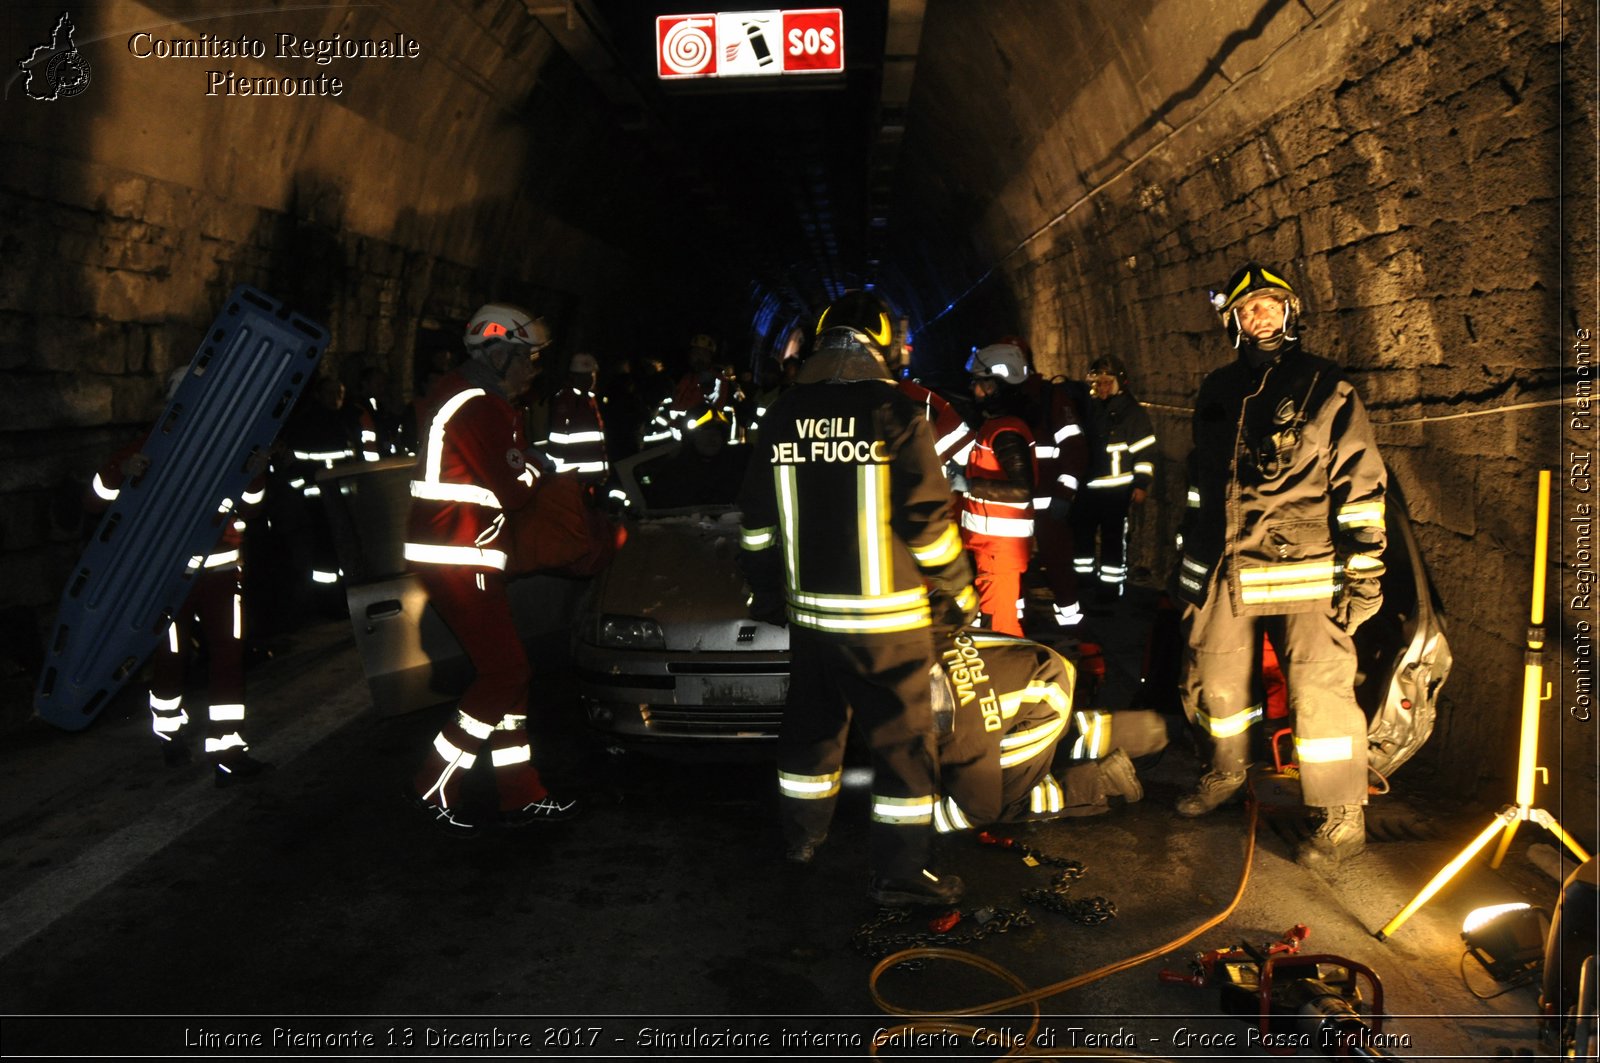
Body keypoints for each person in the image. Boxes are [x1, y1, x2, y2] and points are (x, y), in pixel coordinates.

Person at [739, 289, 979, 907]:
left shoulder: (782, 414)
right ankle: (901, 875)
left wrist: (767, 589)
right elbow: (927, 519)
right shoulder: (895, 413)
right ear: (882, 345)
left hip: (811, 618)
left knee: (812, 730)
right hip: (886, 624)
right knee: (901, 744)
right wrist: (958, 586)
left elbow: (758, 523)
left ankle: (801, 840)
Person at [1172, 262, 1386, 868]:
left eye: (1268, 305)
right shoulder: (1216, 389)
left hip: (1305, 564)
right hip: (1221, 564)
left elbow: (1361, 484)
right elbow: (1199, 486)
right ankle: (1227, 773)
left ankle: (1341, 816)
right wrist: (1187, 564)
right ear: (1235, 322)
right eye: (1247, 309)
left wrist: (1365, 571)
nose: (1258, 316)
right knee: (1218, 677)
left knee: (1320, 689)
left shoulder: (1325, 386)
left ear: (1291, 313)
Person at [403, 302, 580, 835]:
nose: (533, 370)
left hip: (460, 549)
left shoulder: (469, 396)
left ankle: (519, 791)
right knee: (506, 672)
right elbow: (511, 489)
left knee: (510, 675)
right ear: (499, 353)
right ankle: (434, 780)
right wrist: (538, 469)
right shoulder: (479, 404)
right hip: (459, 551)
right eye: (527, 358)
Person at [85, 373, 271, 786]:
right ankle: (169, 733)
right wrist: (121, 472)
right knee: (172, 658)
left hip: (222, 576)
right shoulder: (150, 446)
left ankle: (228, 749)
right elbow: (95, 499)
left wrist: (256, 474)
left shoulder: (232, 447)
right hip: (167, 580)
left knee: (228, 658)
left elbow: (252, 509)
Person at [931, 629, 1152, 832]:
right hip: (1036, 667)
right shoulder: (909, 653)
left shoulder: (957, 733)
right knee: (1041, 739)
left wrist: (920, 822)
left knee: (1004, 799)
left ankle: (1102, 781)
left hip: (1041, 696)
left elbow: (981, 808)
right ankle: (1154, 731)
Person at [1009, 336, 1090, 634]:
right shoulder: (1000, 398)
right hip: (1012, 507)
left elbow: (1075, 447)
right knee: (1012, 568)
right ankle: (1016, 624)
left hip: (1047, 503)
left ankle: (1071, 625)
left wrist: (1065, 492)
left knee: (1058, 564)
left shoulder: (1049, 397)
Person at [961, 343, 1037, 637]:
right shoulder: (996, 426)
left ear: (994, 386)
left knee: (999, 628)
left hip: (1000, 551)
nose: (973, 390)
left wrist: (969, 485)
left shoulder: (1006, 432)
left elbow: (1022, 489)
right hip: (993, 549)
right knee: (1000, 620)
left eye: (978, 382)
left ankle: (1010, 679)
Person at [1073, 354, 1156, 603]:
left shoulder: (1132, 413)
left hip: (1117, 489)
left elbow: (1145, 452)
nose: (1102, 387)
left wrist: (1141, 484)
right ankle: (1083, 583)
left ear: (1120, 382)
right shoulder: (1087, 409)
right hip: (1088, 488)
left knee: (1112, 540)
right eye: (1098, 383)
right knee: (1082, 536)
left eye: (1107, 382)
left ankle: (1109, 591)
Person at [545, 352, 609, 484]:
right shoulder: (566, 399)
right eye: (584, 376)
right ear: (573, 377)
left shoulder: (590, 399)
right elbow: (558, 436)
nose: (589, 379)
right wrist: (553, 471)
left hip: (592, 477)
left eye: (590, 375)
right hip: (573, 477)